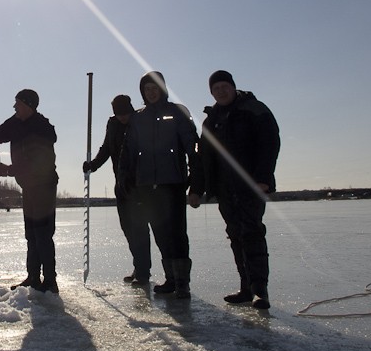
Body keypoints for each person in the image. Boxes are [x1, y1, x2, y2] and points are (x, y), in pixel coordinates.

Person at [118, 71, 203, 298]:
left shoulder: (177, 113)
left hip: (172, 183)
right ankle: (171, 278)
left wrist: (195, 183)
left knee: (177, 233)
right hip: (146, 185)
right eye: (147, 89)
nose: (151, 92)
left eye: (155, 88)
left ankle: (182, 282)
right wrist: (125, 177)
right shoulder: (138, 118)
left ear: (162, 89)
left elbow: (193, 147)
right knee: (160, 232)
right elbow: (128, 151)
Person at [201, 70, 281, 310]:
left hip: (251, 185)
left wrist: (263, 178)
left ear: (233, 87)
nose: (221, 91)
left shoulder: (254, 109)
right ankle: (246, 288)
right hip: (225, 189)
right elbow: (205, 156)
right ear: (212, 92)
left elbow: (270, 143)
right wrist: (205, 186)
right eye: (216, 89)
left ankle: (260, 291)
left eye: (225, 86)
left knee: (252, 234)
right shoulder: (211, 119)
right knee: (236, 236)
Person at [0, 89, 60, 293]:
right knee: (31, 234)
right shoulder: (15, 122)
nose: (14, 107)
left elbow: (38, 163)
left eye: (17, 103)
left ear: (28, 105)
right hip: (28, 186)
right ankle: (33, 277)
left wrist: (8, 170)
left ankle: (50, 282)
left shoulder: (42, 128)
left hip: (44, 185)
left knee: (43, 234)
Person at [84, 94, 175, 288]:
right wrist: (93, 165)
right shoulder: (113, 125)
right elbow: (107, 148)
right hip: (123, 187)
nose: (123, 117)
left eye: (125, 113)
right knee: (130, 230)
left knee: (154, 230)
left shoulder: (140, 121)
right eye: (119, 114)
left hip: (144, 186)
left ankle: (167, 274)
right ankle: (140, 268)